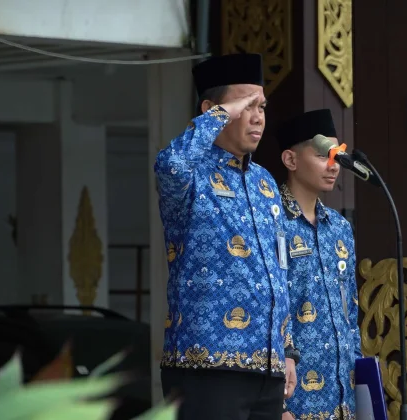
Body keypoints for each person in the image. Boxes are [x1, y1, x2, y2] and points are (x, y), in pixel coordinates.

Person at [153, 53, 298, 420]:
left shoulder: (266, 183)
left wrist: (288, 352)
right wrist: (221, 114)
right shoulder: (190, 175)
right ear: (211, 110)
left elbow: (280, 270)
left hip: (266, 369)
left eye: (261, 106)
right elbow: (169, 163)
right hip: (207, 368)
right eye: (246, 105)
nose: (258, 116)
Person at [275, 109, 362, 420]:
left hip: (343, 398)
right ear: (291, 160)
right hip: (295, 398)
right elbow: (266, 313)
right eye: (323, 155)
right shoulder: (271, 222)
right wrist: (277, 406)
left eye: (337, 155)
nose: (333, 165)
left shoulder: (339, 228)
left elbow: (350, 314)